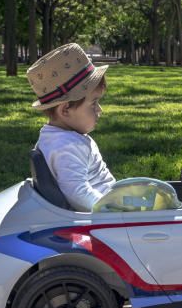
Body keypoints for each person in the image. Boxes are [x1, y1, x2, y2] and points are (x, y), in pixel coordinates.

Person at [27, 43, 116, 211]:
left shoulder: (54, 137)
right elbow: (77, 193)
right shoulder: (66, 146)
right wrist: (111, 211)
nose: (100, 110)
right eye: (94, 104)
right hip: (105, 216)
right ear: (65, 109)